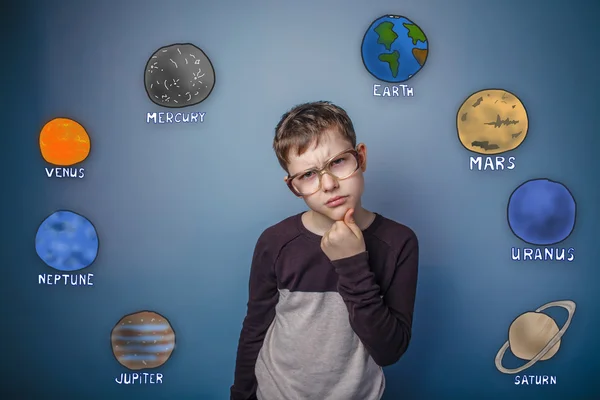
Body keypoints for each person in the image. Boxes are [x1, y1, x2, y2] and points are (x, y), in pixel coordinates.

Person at [230, 101, 419, 400]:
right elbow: (255, 328)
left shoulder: (399, 242)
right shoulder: (275, 242)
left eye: (338, 162)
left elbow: (389, 350)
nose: (328, 184)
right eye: (308, 175)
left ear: (361, 157)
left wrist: (353, 264)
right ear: (293, 187)